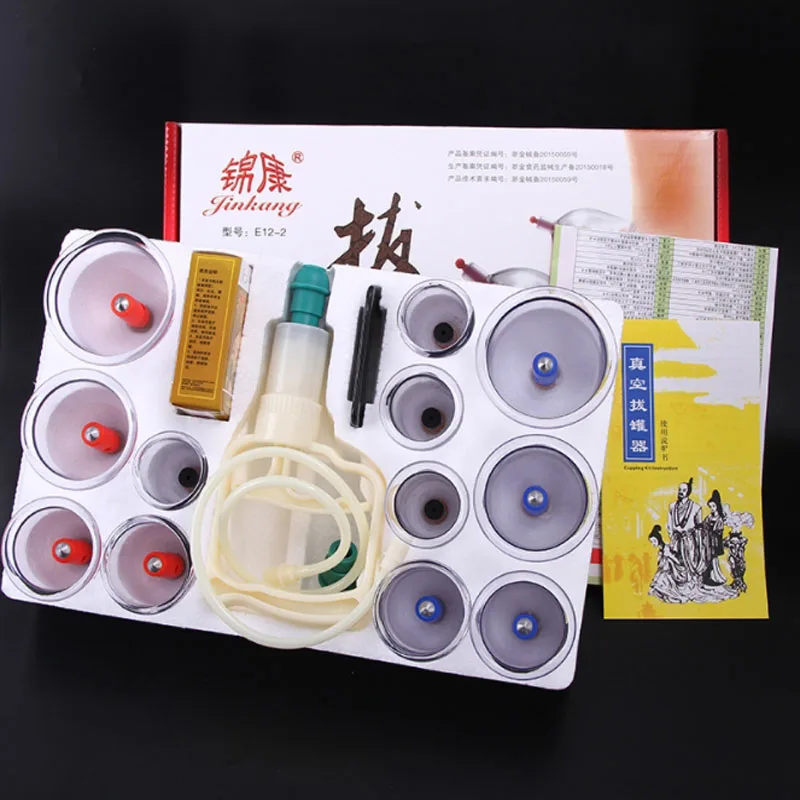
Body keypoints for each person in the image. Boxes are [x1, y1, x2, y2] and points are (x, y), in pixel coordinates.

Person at [666, 478, 702, 574]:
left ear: (688, 492)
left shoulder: (696, 507)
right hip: (675, 540)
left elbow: (699, 527)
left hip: (689, 541)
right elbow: (669, 524)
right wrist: (672, 536)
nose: (681, 492)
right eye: (680, 490)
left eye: (684, 490)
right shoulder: (672, 506)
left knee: (689, 567)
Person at [648, 525, 688, 603]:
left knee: (663, 579)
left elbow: (678, 561)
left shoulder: (667, 548)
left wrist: (670, 556)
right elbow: (661, 566)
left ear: (658, 539)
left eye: (654, 541)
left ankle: (679, 597)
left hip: (675, 572)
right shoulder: (660, 552)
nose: (653, 544)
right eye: (651, 542)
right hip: (666, 572)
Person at [697, 490, 727, 586]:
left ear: (717, 506)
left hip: (714, 543)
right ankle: (706, 577)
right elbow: (704, 525)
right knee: (707, 559)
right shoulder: (709, 517)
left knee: (713, 560)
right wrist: (699, 526)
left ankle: (714, 577)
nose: (712, 508)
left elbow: (718, 531)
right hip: (707, 543)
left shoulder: (719, 519)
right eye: (710, 507)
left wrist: (710, 531)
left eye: (713, 506)